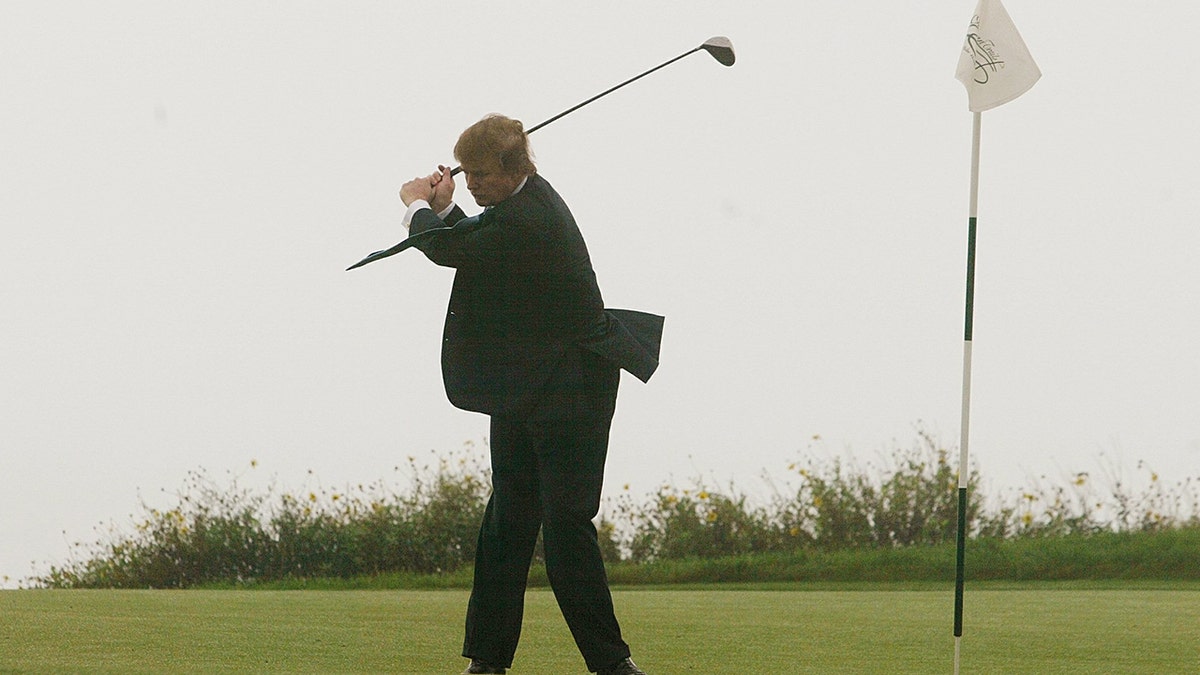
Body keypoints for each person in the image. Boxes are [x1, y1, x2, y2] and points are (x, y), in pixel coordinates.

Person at [397, 114, 662, 675]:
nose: (471, 185)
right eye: (465, 175)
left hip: (575, 387)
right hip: (527, 384)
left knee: (565, 527)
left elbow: (453, 251)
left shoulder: (532, 217)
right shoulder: (513, 209)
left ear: (515, 168)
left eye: (481, 176)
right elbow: (473, 242)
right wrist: (444, 211)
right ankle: (488, 662)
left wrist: (417, 202)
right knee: (507, 522)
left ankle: (613, 666)